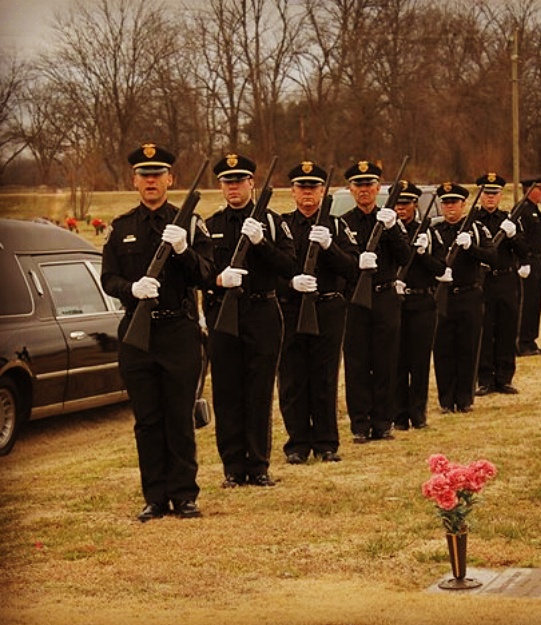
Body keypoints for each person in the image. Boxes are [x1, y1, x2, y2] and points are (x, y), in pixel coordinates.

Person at [101, 143, 213, 522]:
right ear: (134, 181)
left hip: (178, 329)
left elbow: (207, 275)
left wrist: (182, 249)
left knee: (179, 416)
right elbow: (108, 278)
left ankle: (184, 495)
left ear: (171, 179)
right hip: (138, 333)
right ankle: (154, 496)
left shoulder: (190, 224)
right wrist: (131, 289)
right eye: (144, 175)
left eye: (158, 174)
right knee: (147, 419)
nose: (151, 181)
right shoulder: (121, 227)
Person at [203, 154, 296, 487]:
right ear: (221, 186)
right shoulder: (210, 226)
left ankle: (257, 466)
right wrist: (217, 280)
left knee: (258, 392)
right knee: (227, 392)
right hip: (224, 314)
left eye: (239, 181)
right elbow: (200, 272)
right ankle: (232, 467)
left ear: (251, 184)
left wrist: (261, 243)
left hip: (262, 312)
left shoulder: (270, 222)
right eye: (227, 182)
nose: (233, 187)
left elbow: (290, 266)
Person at [276, 161, 358, 464]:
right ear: (293, 191)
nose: (307, 193)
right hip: (291, 308)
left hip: (327, 307)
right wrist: (290, 283)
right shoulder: (282, 224)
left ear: (322, 191)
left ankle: (326, 443)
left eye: (313, 187)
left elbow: (352, 268)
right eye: (302, 187)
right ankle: (297, 443)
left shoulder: (337, 227)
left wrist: (329, 247)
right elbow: (271, 268)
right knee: (292, 377)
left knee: (324, 377)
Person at [341, 160, 411, 442]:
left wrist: (393, 228)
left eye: (369, 184)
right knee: (356, 362)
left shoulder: (390, 220)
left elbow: (405, 258)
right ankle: (360, 423)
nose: (364, 190)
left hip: (384, 296)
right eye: (358, 185)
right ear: (350, 189)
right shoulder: (343, 222)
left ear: (378, 188)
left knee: (385, 361)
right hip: (355, 298)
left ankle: (383, 421)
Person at [431, 182, 496, 413]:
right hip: (443, 297)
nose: (450, 207)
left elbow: (492, 256)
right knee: (443, 349)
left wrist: (471, 248)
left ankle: (465, 399)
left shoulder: (476, 230)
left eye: (454, 202)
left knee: (468, 348)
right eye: (446, 202)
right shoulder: (433, 231)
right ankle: (446, 400)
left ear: (463, 205)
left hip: (469, 295)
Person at [392, 182, 443, 430]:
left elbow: (442, 270)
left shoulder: (428, 233)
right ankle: (399, 415)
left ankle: (418, 413)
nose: (402, 209)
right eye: (398, 204)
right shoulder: (388, 232)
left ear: (415, 205)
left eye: (406, 204)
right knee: (398, 361)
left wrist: (424, 253)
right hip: (397, 303)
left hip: (422, 302)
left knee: (420, 361)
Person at [474, 173, 529, 396]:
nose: (490, 198)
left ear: (500, 195)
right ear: (480, 195)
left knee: (507, 330)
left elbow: (525, 252)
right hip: (483, 281)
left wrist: (514, 235)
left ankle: (504, 378)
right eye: (486, 193)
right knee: (484, 331)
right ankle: (485, 379)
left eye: (494, 193)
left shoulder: (509, 219)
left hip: (506, 281)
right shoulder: (473, 222)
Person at [516, 174, 541, 356]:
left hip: (538, 261)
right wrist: (524, 261)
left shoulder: (535, 210)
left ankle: (531, 340)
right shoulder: (522, 210)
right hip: (527, 263)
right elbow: (520, 238)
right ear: (530, 190)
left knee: (535, 303)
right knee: (526, 303)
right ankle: (521, 342)